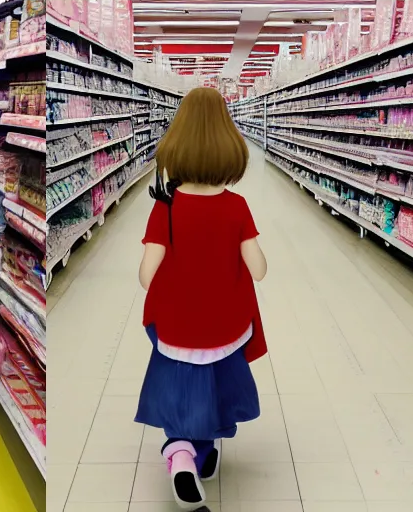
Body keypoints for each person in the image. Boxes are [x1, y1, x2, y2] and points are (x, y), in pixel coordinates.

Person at [135, 88, 268, 511]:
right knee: (215, 384)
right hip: (224, 323)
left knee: (179, 388)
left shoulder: (167, 209)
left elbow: (145, 275)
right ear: (229, 147)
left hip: (177, 322)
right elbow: (260, 269)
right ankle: (205, 450)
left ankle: (181, 456)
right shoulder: (237, 207)